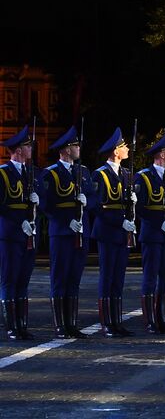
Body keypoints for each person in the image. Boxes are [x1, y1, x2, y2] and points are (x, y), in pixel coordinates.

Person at [38, 125, 91, 338]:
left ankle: (72, 324)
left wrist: (87, 201)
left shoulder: (83, 172)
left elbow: (94, 198)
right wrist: (66, 221)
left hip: (80, 231)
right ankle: (61, 325)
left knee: (74, 277)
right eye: (75, 145)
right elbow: (47, 204)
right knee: (60, 277)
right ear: (65, 150)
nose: (79, 148)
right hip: (61, 232)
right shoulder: (50, 173)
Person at [87, 128, 136, 337]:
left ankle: (117, 321)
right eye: (124, 147)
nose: (127, 150)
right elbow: (97, 206)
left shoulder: (126, 173)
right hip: (107, 231)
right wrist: (121, 222)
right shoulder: (100, 174)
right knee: (107, 276)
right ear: (116, 151)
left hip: (122, 231)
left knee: (119, 278)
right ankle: (106, 323)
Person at [135, 131, 165, 334]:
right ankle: (150, 321)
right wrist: (159, 223)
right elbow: (140, 207)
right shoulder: (143, 177)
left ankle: (164, 319)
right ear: (161, 154)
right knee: (151, 277)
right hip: (153, 234)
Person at [1, 126, 39, 341]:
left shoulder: (31, 172)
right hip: (10, 234)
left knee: (23, 279)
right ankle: (11, 326)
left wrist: (37, 202)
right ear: (17, 150)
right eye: (26, 146)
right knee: (9, 279)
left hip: (29, 233)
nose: (30, 148)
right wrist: (20, 221)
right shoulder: (3, 173)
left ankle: (22, 325)